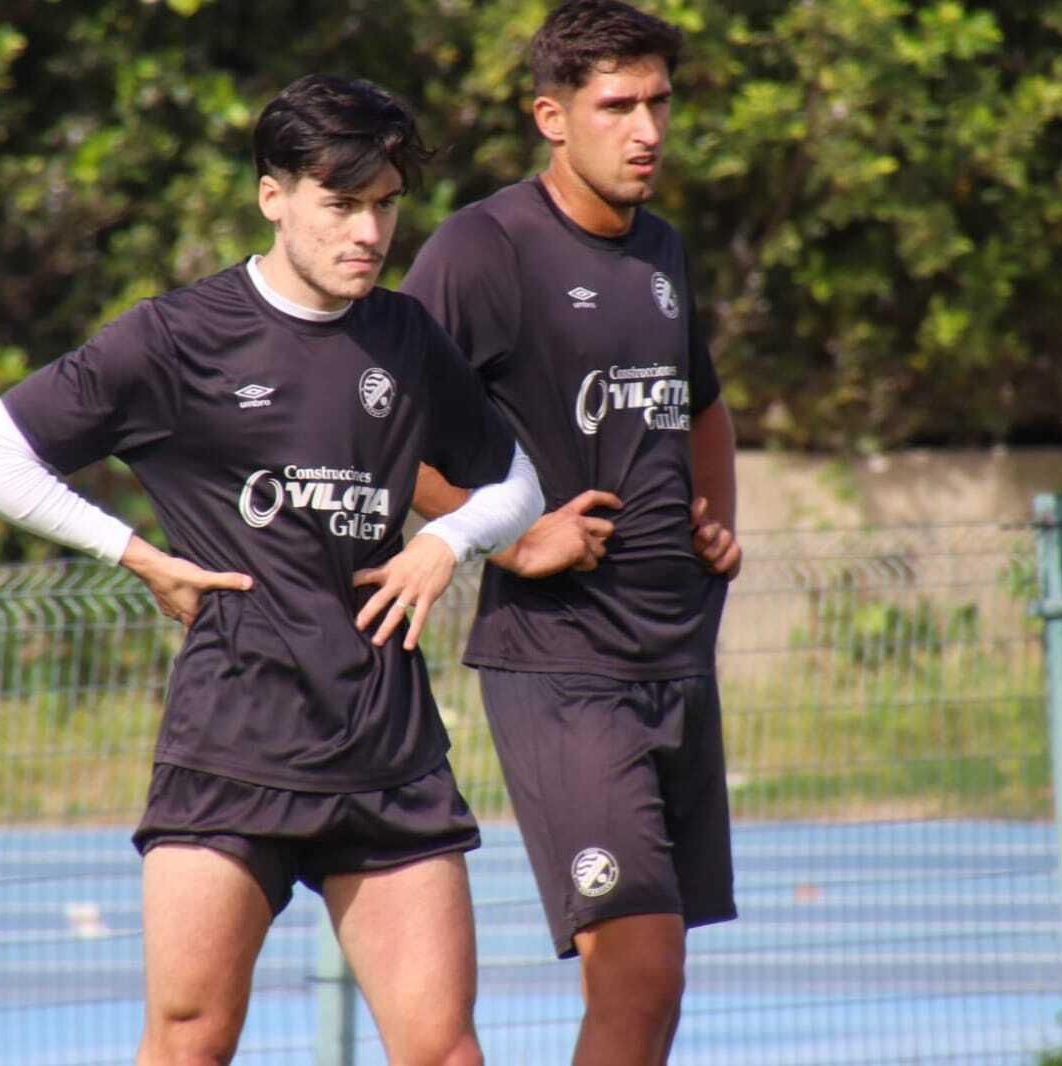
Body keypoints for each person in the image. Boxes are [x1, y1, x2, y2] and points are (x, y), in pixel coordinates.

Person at [0, 74, 543, 1066]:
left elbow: (514, 479)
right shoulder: (176, 337)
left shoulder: (404, 337)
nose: (368, 232)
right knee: (189, 1042)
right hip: (232, 744)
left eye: (386, 206)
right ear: (274, 196)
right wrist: (133, 554)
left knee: (444, 1051)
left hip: (385, 750)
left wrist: (446, 541)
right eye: (340, 205)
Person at [400, 3, 742, 1063]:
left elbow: (701, 403)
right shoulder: (483, 248)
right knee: (637, 972)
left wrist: (714, 515)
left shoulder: (663, 251)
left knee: (654, 997)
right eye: (616, 106)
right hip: (561, 669)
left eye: (659, 103)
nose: (646, 129)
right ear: (552, 116)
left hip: (674, 659)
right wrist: (503, 537)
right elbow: (377, 419)